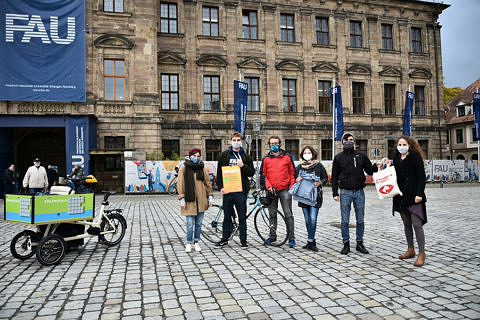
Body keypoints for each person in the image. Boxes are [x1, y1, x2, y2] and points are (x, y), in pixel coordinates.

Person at [331, 132, 378, 255]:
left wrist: (376, 166)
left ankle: (359, 243)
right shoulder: (338, 157)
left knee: (360, 220)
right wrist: (335, 193)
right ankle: (346, 243)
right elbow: (334, 176)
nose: (349, 142)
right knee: (345, 221)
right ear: (342, 142)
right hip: (345, 192)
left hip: (359, 192)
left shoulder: (361, 155)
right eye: (346, 140)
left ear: (354, 142)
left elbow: (369, 171)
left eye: (351, 139)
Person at [391, 135, 427, 267]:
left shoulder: (415, 157)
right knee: (406, 223)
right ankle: (410, 249)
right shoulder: (396, 158)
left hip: (414, 195)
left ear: (409, 145)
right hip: (401, 196)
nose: (401, 147)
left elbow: (421, 176)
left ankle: (421, 253)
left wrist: (419, 193)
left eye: (403, 144)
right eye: (399, 145)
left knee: (417, 224)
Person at [215, 132, 255, 248]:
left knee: (242, 217)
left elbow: (251, 172)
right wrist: (221, 187)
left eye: (238, 140)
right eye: (234, 139)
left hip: (241, 191)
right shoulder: (224, 155)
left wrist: (243, 166)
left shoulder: (246, 156)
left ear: (241, 141)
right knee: (227, 216)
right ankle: (224, 238)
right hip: (228, 191)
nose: (236, 141)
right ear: (231, 141)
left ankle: (243, 240)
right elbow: (219, 173)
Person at [260, 136, 296, 247]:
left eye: (276, 143)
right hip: (271, 191)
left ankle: (291, 238)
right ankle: (272, 236)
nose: (274, 145)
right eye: (271, 143)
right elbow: (263, 175)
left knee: (288, 214)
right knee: (272, 214)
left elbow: (292, 172)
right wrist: (268, 186)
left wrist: (291, 186)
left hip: (285, 189)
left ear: (280, 144)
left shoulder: (287, 157)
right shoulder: (266, 159)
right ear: (269, 145)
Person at [177, 148, 214, 253]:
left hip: (201, 200)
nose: (196, 158)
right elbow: (180, 184)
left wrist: (210, 196)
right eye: (194, 156)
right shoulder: (184, 168)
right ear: (190, 156)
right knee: (189, 223)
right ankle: (188, 243)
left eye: (198, 156)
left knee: (198, 224)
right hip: (189, 200)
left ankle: (196, 242)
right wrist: (182, 198)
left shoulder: (202, 168)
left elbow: (207, 183)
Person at [293, 146, 328, 251]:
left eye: (309, 152)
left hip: (315, 196)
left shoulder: (318, 166)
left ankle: (311, 241)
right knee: (308, 220)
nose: (306, 154)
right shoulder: (299, 167)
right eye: (305, 152)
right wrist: (297, 179)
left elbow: (325, 177)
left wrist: (320, 182)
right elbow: (293, 178)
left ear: (313, 154)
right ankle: (310, 241)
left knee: (313, 219)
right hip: (303, 197)